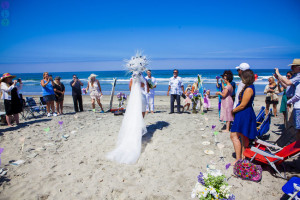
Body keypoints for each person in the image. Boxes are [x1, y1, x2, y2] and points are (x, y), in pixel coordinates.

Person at [107, 53, 148, 164]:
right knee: (141, 114)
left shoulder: (133, 77)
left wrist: (135, 88)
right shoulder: (141, 77)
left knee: (133, 114)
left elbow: (130, 87)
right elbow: (145, 87)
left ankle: (135, 131)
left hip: (135, 97)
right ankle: (138, 132)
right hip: (141, 97)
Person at [230, 69, 258, 164]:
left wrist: (233, 111)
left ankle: (238, 159)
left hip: (244, 113)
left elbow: (243, 105)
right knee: (243, 135)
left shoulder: (249, 88)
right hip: (244, 113)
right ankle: (243, 156)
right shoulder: (249, 87)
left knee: (234, 135)